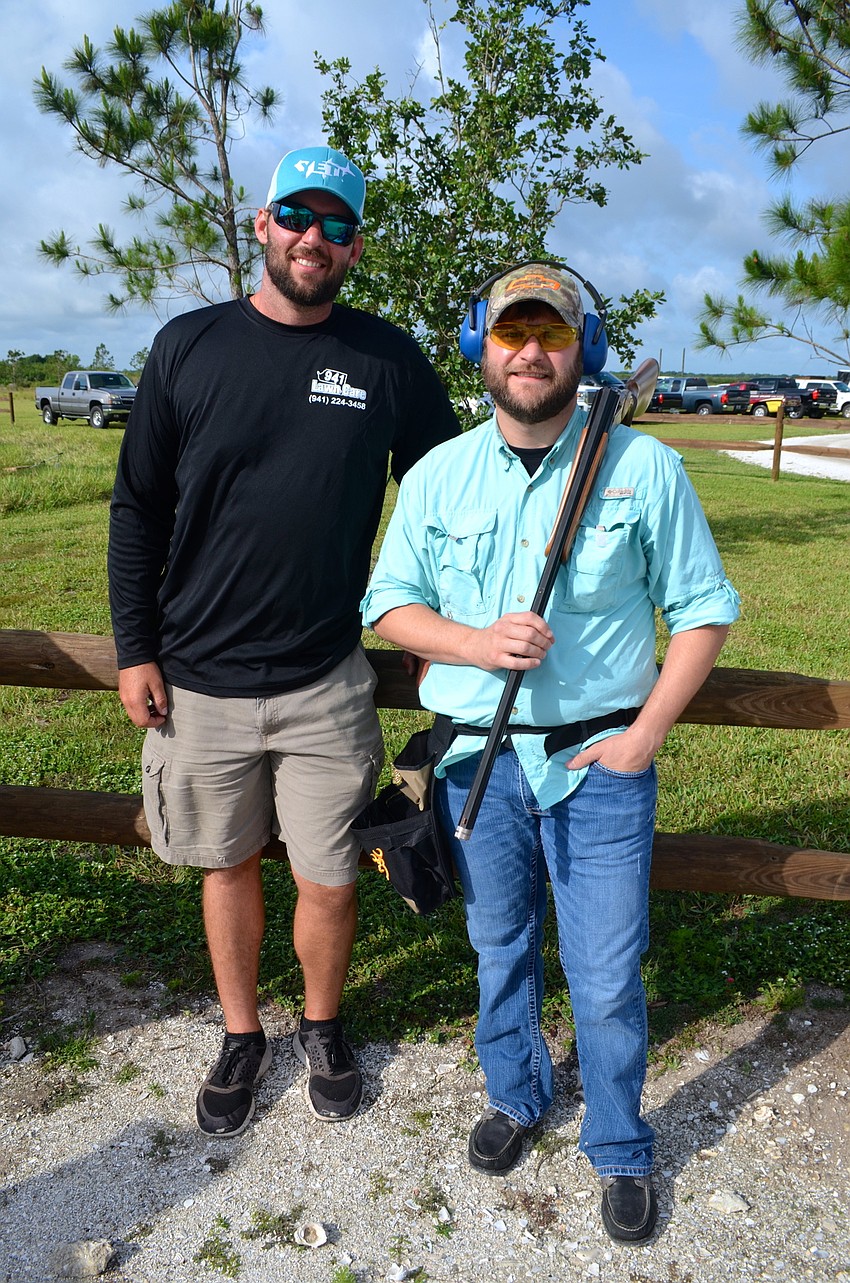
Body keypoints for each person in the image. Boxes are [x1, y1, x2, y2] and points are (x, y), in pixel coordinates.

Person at [361, 263, 739, 1242]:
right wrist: (477, 643)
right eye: (510, 330)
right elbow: (388, 604)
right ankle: (517, 1091)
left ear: (584, 351)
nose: (530, 349)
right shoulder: (438, 471)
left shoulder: (640, 464)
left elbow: (703, 610)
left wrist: (644, 733)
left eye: (552, 332)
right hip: (471, 765)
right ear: (479, 347)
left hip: (595, 767)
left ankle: (617, 1140)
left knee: (607, 974)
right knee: (498, 949)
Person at [107, 145, 459, 1139]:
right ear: (261, 225)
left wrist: (433, 619)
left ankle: (322, 1025)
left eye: (335, 225)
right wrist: (136, 647)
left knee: (330, 872)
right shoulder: (188, 346)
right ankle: (238, 1032)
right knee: (225, 865)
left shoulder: (387, 361)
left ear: (354, 248)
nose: (313, 238)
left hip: (324, 681)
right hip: (197, 683)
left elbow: (443, 499)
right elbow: (136, 508)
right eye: (296, 217)